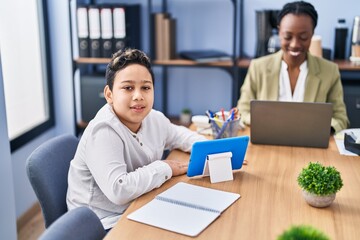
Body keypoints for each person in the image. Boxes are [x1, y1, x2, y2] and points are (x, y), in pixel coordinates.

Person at [66, 48, 207, 230]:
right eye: (128, 88)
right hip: (102, 223)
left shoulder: (152, 118)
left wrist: (209, 148)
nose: (138, 95)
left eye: (146, 88)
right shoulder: (103, 130)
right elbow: (119, 190)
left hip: (139, 204)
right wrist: (166, 167)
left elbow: (179, 135)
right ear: (109, 94)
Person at [237, 1, 349, 133]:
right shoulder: (258, 67)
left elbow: (341, 119)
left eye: (303, 37)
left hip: (311, 145)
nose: (295, 44)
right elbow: (241, 112)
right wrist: (264, 122)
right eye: (288, 36)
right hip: (268, 143)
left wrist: (322, 128)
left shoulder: (329, 71)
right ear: (279, 32)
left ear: (312, 34)